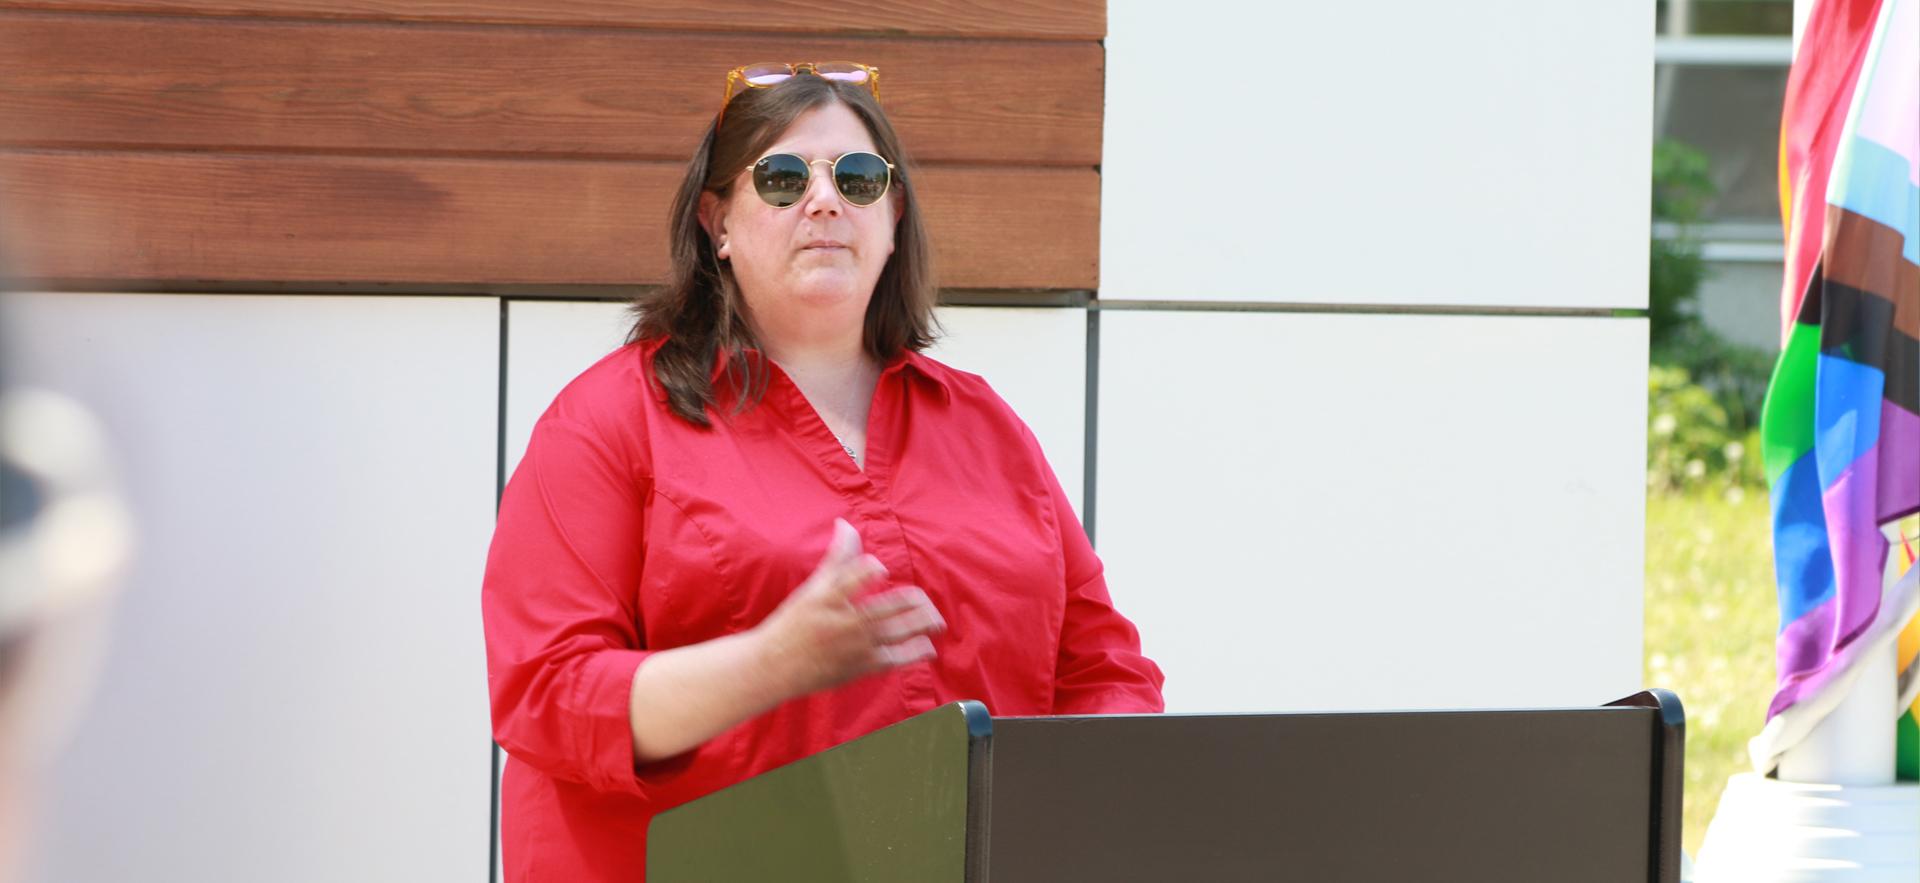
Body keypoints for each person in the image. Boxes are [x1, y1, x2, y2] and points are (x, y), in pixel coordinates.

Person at [481, 62, 1164, 880]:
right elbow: (547, 695)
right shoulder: (609, 421)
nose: (825, 200)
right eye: (780, 178)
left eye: (859, 177)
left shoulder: (987, 426)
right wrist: (770, 663)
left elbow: (1103, 671)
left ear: (893, 215)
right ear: (717, 222)